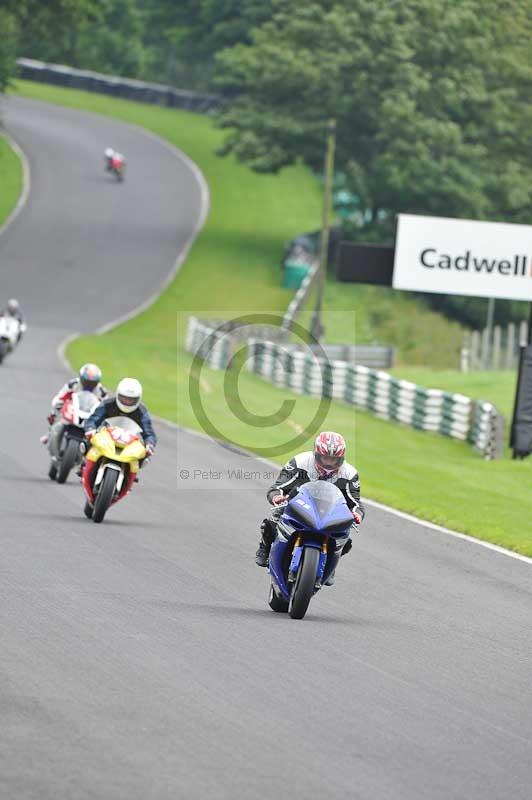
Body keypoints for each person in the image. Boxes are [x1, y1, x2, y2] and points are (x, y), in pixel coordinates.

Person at [255, 431, 365, 583]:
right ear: (316, 453)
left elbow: (356, 502)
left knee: (346, 532)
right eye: (325, 457)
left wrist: (357, 514)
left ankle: (331, 565)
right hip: (300, 504)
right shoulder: (299, 462)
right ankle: (265, 547)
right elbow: (278, 486)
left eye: (334, 459)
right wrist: (277, 497)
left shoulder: (349, 474)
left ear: (341, 458)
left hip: (329, 511)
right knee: (276, 512)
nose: (328, 463)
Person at [83, 378, 156, 467]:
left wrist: (149, 444)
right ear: (118, 395)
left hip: (129, 441)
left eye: (131, 400)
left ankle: (131, 472)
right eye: (124, 398)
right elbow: (94, 419)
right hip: (106, 435)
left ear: (138, 399)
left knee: (144, 457)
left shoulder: (142, 411)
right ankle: (84, 463)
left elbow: (149, 432)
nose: (127, 402)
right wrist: (90, 429)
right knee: (88, 441)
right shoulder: (108, 404)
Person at [40, 363, 107, 445]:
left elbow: (105, 405)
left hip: (90, 411)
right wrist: (59, 401)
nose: (89, 385)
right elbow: (62, 394)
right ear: (81, 378)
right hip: (73, 407)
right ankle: (49, 433)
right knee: (55, 409)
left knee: (103, 422)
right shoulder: (73, 384)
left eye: (92, 383)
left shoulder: (101, 391)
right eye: (87, 382)